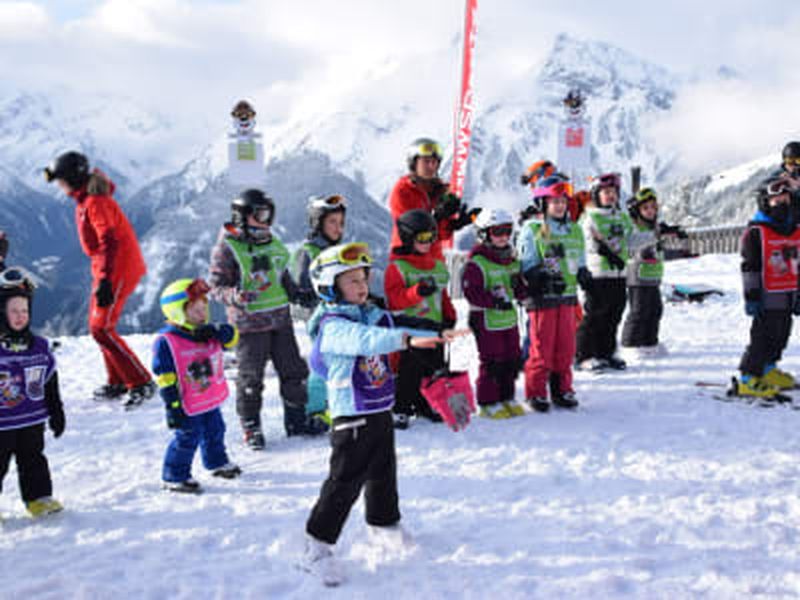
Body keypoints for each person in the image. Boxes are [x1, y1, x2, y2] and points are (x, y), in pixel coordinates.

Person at [302, 242, 459, 585]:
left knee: (382, 472)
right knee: (345, 481)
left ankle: (383, 523)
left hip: (379, 408)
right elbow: (370, 339)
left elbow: (399, 321)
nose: (362, 286)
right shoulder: (333, 325)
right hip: (351, 413)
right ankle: (317, 545)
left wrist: (436, 332)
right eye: (351, 281)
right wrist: (405, 340)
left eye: (363, 278)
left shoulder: (369, 313)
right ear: (330, 286)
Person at [208, 189, 323, 451]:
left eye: (269, 215)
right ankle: (251, 426)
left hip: (280, 320)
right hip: (250, 326)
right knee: (251, 378)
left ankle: (296, 420)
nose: (266, 221)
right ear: (242, 217)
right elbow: (215, 287)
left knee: (293, 371)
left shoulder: (271, 241)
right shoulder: (228, 247)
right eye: (261, 215)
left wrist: (296, 294)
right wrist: (234, 295)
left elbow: (280, 275)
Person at [43, 151, 154, 407]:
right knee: (99, 328)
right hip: (106, 268)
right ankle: (118, 381)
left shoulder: (96, 203)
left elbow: (110, 241)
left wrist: (105, 280)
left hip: (118, 268)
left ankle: (141, 382)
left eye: (60, 179)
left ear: (73, 177)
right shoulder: (85, 201)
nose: (59, 185)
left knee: (101, 328)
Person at [152, 278, 241, 493]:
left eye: (204, 307)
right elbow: (165, 377)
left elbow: (232, 339)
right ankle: (174, 475)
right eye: (194, 309)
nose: (202, 314)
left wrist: (220, 331)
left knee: (215, 429)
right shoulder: (167, 341)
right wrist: (172, 405)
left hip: (207, 396)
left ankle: (216, 462)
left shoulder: (207, 332)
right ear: (176, 312)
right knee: (187, 437)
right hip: (186, 400)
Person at [516, 177, 591, 412]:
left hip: (567, 297)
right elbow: (526, 263)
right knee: (541, 348)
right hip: (543, 300)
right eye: (554, 202)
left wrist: (583, 273)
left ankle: (562, 389)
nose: (559, 206)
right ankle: (536, 392)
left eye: (562, 201)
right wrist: (540, 276)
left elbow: (579, 257)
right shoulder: (533, 229)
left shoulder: (575, 229)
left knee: (566, 348)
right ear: (542, 204)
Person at [0, 267, 65, 517]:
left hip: (32, 419)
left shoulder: (39, 347)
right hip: (2, 424)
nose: (20, 316)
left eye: (24, 311)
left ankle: (38, 498)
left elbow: (50, 381)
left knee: (33, 460)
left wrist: (56, 412)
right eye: (13, 310)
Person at [384, 209, 457, 429]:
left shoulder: (436, 267)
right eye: (423, 238)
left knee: (434, 368)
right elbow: (395, 300)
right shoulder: (397, 268)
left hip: (434, 328)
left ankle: (427, 404)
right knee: (410, 371)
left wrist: (449, 314)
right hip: (411, 331)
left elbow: (442, 295)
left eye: (431, 238)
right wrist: (416, 292)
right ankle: (402, 409)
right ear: (407, 237)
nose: (428, 243)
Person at [735, 177, 800, 399]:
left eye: (785, 198)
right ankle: (748, 376)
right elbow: (750, 268)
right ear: (765, 202)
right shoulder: (757, 232)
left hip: (787, 295)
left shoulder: (795, 230)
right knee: (762, 337)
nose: (782, 203)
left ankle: (768, 369)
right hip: (766, 297)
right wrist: (752, 297)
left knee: (781, 334)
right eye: (776, 200)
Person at [461, 208, 527, 418]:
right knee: (492, 361)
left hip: (508, 319)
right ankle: (488, 401)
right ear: (484, 234)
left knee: (512, 358)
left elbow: (518, 289)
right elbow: (471, 293)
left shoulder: (511, 260)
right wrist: (493, 301)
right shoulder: (477, 263)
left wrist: (529, 288)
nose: (503, 237)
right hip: (486, 319)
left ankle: (507, 396)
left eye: (507, 231)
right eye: (497, 232)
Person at [290, 194, 348, 425]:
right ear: (318, 223)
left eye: (341, 223)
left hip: (338, 313)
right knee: (322, 361)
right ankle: (314, 411)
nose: (338, 228)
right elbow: (302, 287)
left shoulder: (337, 251)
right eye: (332, 222)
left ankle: (334, 403)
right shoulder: (309, 252)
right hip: (319, 315)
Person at [574, 173, 633, 372]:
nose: (610, 196)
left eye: (613, 192)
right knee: (595, 315)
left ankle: (605, 352)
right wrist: (605, 251)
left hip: (618, 273)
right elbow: (586, 242)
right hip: (597, 274)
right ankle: (584, 355)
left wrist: (656, 235)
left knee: (614, 314)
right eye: (606, 192)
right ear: (596, 195)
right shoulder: (590, 217)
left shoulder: (622, 217)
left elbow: (632, 239)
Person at [388, 137, 478, 260]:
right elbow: (411, 231)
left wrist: (456, 223)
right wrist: (438, 216)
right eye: (426, 161)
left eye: (435, 162)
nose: (431, 166)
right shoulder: (403, 190)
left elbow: (441, 235)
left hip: (434, 259)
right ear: (414, 163)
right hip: (407, 258)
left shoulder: (441, 190)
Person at [620, 188, 666, 358]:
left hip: (653, 275)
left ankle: (649, 342)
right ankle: (630, 344)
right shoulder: (633, 227)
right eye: (646, 208)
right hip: (637, 276)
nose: (650, 211)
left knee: (655, 310)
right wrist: (642, 252)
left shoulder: (655, 227)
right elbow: (629, 247)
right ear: (637, 210)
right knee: (639, 311)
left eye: (653, 207)